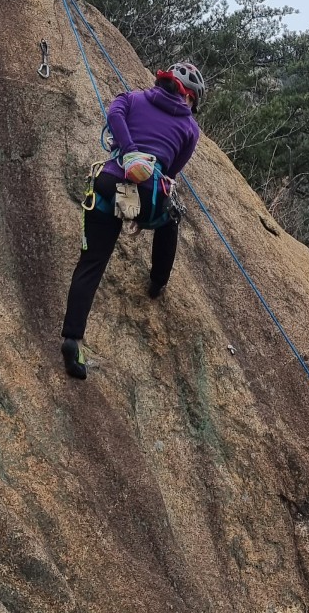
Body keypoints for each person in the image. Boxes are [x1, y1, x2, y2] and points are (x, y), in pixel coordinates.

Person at [60, 61, 204, 378]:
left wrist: (129, 150)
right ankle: (157, 282)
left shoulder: (132, 98)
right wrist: (144, 162)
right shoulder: (190, 129)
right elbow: (171, 172)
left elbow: (114, 114)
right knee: (170, 218)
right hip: (146, 200)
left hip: (110, 185)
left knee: (92, 262)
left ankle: (73, 339)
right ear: (190, 98)